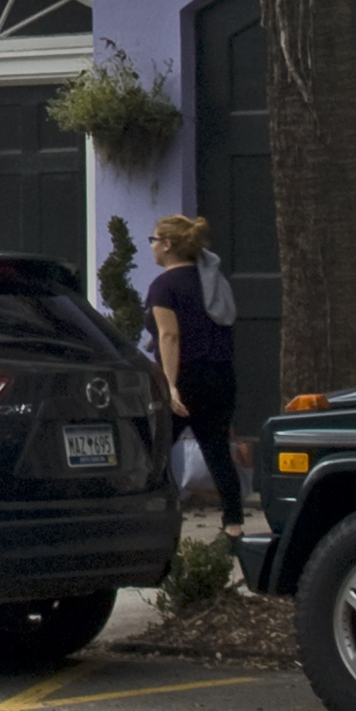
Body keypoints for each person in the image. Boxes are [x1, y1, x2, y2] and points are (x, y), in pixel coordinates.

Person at [144, 213, 243, 534]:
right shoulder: (212, 282)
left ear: (168, 245)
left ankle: (153, 517)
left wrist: (171, 387)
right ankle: (234, 524)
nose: (153, 247)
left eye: (155, 240)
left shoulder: (163, 286)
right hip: (220, 375)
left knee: (153, 451)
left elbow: (169, 337)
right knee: (217, 450)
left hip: (185, 377)